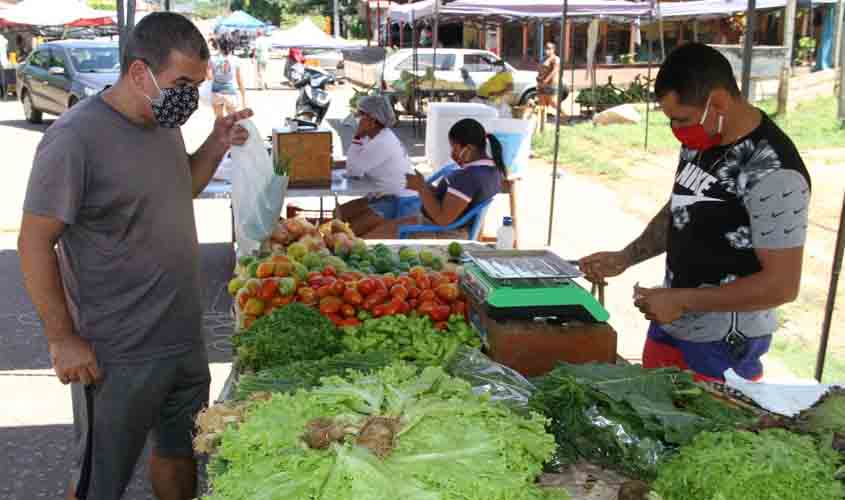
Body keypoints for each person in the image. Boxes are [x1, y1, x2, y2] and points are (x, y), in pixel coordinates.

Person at [17, 12, 251, 500]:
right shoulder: (75, 138)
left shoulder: (163, 120)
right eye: (182, 82)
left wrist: (216, 142)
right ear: (139, 73)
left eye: (198, 84)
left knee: (179, 452)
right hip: (116, 352)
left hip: (183, 338)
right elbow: (35, 241)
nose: (190, 95)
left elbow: (178, 185)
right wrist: (62, 339)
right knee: (101, 480)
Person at [579, 43, 811, 383]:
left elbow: (782, 286)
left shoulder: (773, 171)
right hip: (673, 322)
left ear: (716, 103)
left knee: (708, 433)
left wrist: (684, 301)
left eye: (681, 119)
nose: (677, 130)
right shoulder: (703, 140)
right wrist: (625, 257)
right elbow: (683, 206)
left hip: (723, 343)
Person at [365, 118, 505, 239]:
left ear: (469, 148)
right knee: (378, 225)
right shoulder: (493, 169)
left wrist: (421, 188)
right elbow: (455, 200)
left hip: (443, 232)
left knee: (373, 236)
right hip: (444, 226)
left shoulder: (468, 177)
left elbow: (442, 219)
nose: (452, 154)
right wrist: (424, 187)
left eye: (454, 148)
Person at [336, 95, 420, 235]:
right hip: (383, 196)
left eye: (360, 114)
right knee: (338, 214)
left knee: (350, 231)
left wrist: (357, 136)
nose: (356, 117)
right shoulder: (373, 136)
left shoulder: (382, 142)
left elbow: (353, 171)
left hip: (401, 202)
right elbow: (354, 163)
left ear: (373, 120)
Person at [208, 37, 246, 118]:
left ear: (218, 46)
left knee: (219, 119)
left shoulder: (212, 59)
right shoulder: (235, 59)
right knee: (232, 120)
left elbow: (209, 77)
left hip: (216, 92)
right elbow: (239, 80)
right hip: (230, 93)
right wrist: (243, 97)